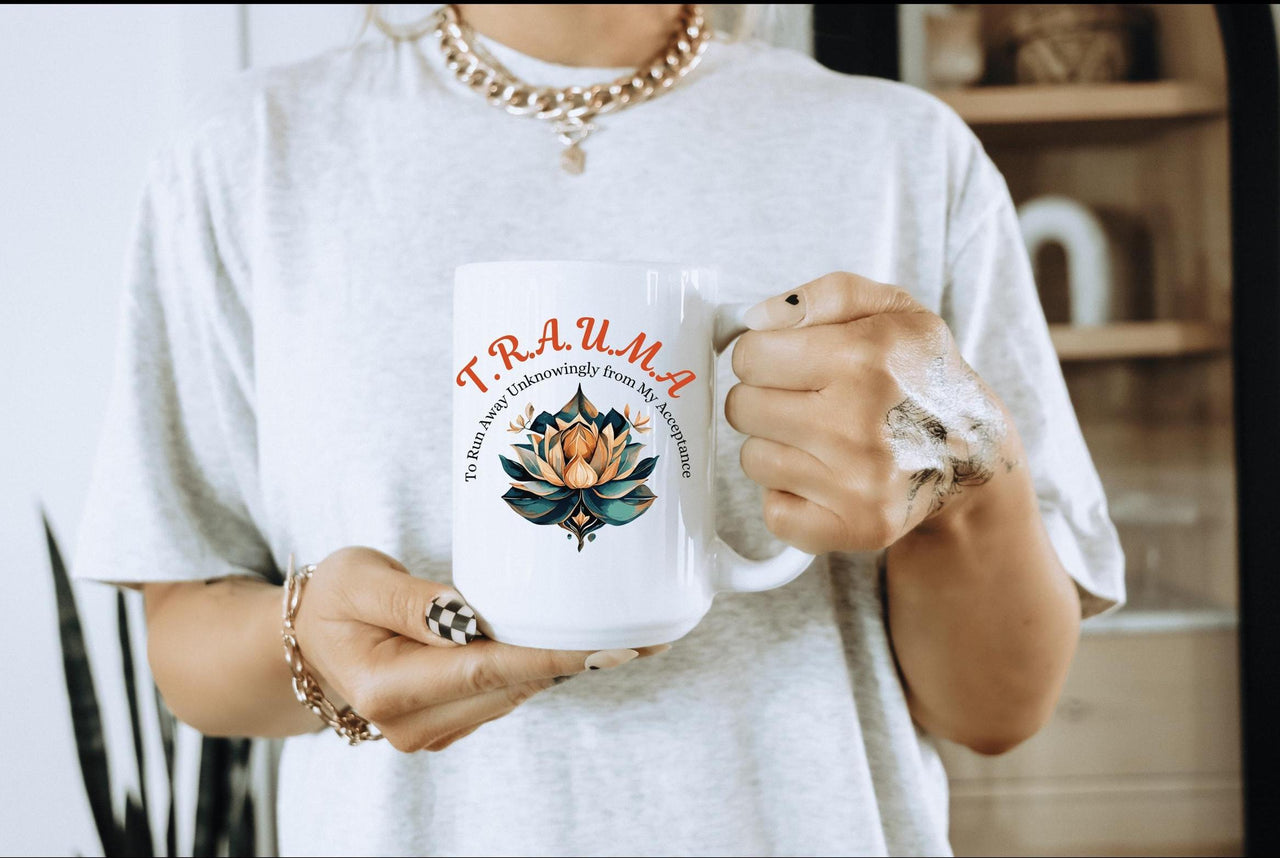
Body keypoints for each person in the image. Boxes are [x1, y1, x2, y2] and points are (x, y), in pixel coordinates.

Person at [74, 4, 1124, 855]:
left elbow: (996, 710)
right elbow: (188, 652)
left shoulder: (903, 153)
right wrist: (308, 642)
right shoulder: (245, 156)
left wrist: (957, 487)